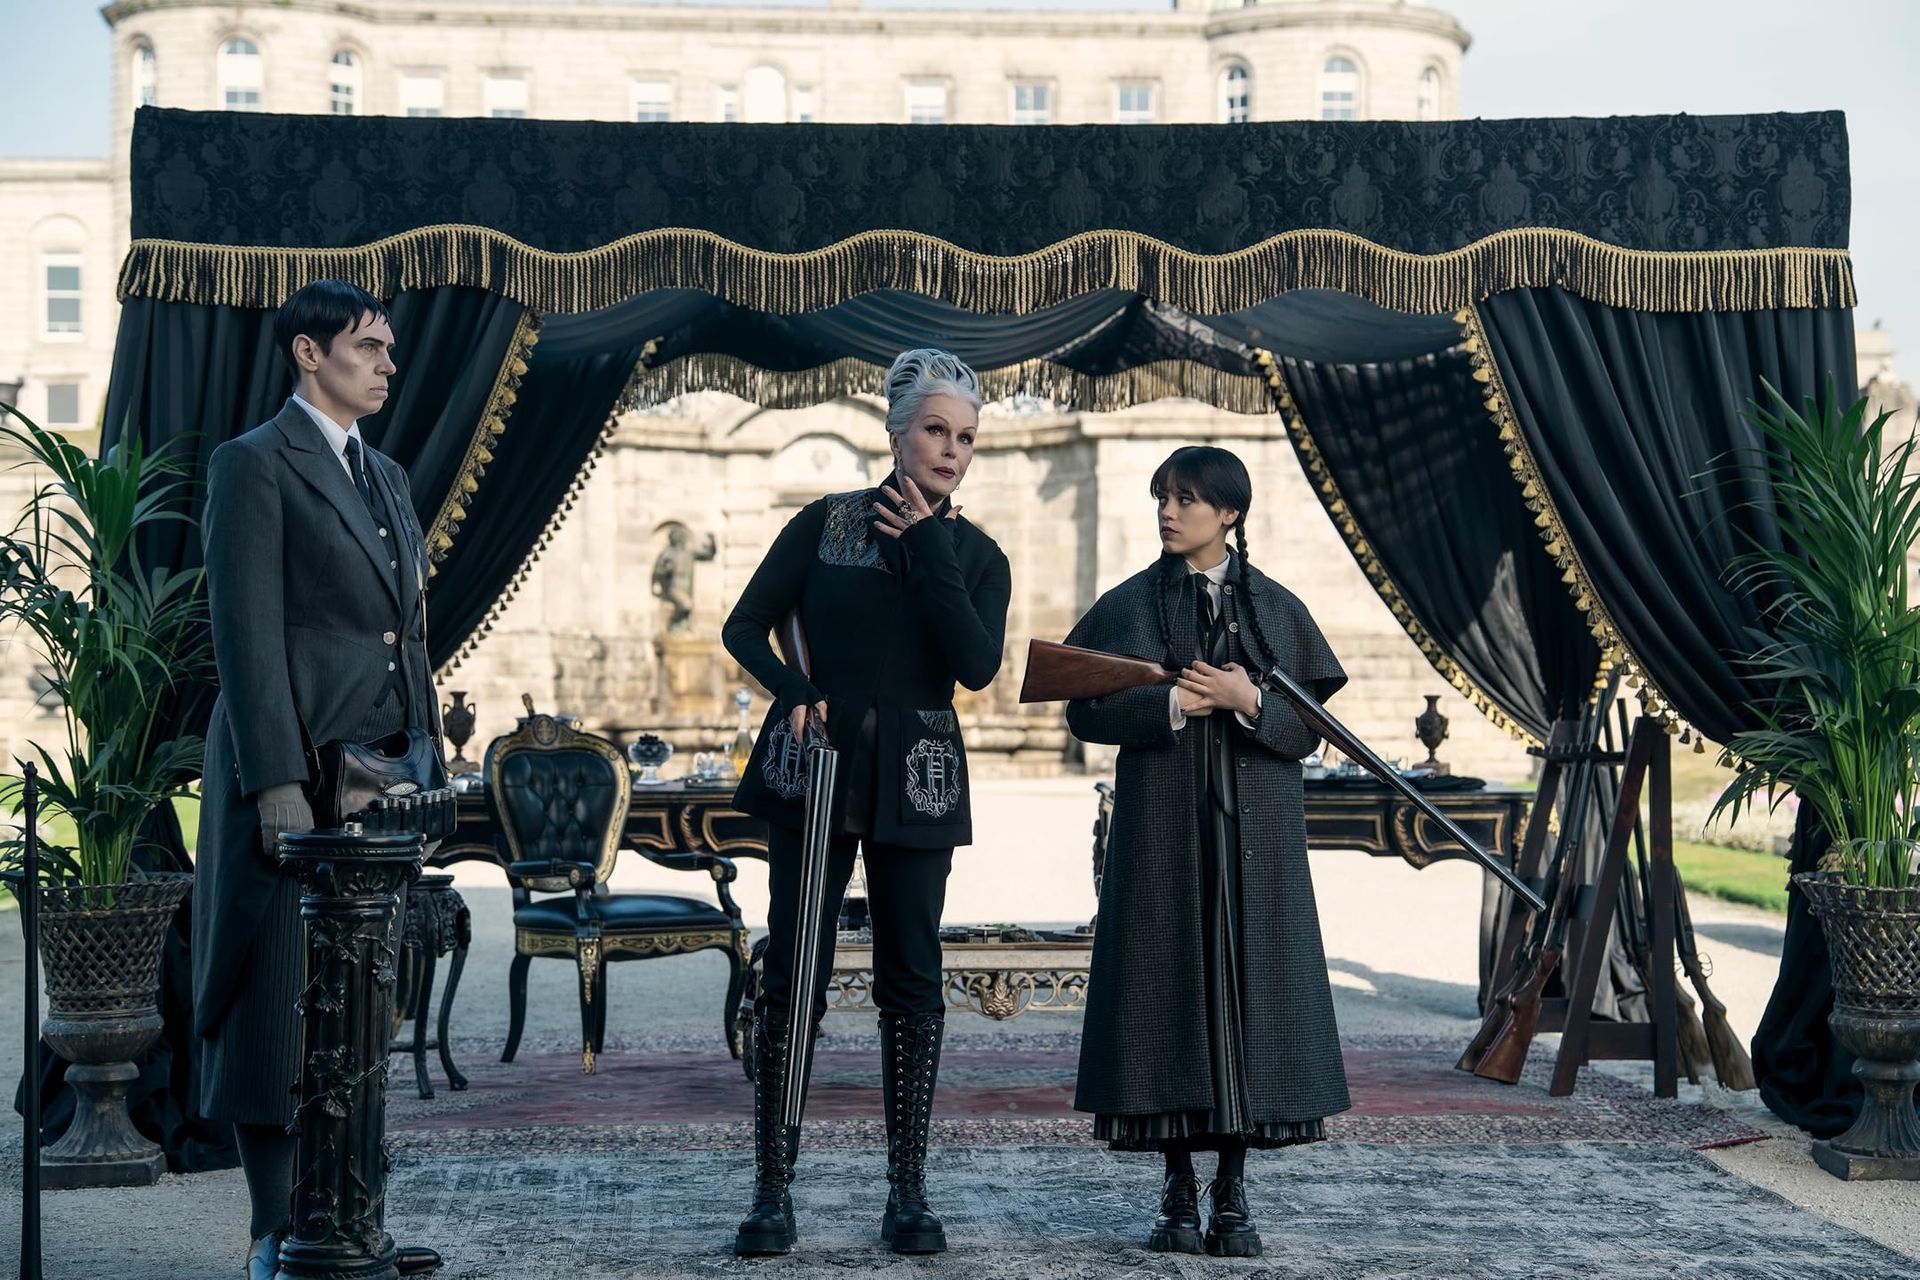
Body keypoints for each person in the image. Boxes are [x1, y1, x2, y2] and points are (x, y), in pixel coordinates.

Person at [722, 348, 1012, 1257]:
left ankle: (908, 1191)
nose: (951, 449)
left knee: (912, 978)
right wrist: (792, 688)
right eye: (935, 430)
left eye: (966, 437)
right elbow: (744, 624)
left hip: (920, 775)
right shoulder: (823, 524)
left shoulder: (977, 554)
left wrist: (928, 545)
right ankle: (772, 1188)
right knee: (794, 971)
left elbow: (975, 665)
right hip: (817, 766)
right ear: (895, 434)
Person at [192, 278, 442, 1280]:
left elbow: (407, 633)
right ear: (308, 351)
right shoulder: (254, 462)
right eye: (368, 346)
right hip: (293, 770)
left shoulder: (387, 474)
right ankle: (275, 1231)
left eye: (388, 348)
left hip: (376, 776)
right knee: (277, 998)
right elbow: (246, 632)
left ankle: (349, 1221)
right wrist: (275, 785)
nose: (388, 363)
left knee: (357, 1000)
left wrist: (427, 760)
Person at [1063, 445, 1349, 1258]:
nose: (1168, 511)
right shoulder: (1127, 604)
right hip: (1162, 835)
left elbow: (1310, 730)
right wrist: (1172, 707)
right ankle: (1177, 1190)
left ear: (1229, 513)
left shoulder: (1279, 609)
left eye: (1186, 499)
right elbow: (1082, 712)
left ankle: (1233, 1190)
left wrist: (1247, 697)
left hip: (1254, 841)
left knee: (1248, 1004)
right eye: (1162, 496)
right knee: (1167, 1000)